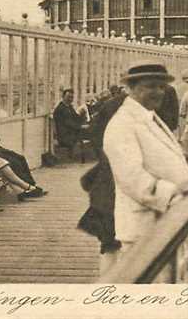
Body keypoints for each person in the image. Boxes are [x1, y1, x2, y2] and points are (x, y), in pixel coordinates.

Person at [101, 61, 188, 280]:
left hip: (161, 222)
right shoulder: (122, 124)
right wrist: (173, 194)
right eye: (151, 86)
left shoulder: (148, 117)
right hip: (143, 226)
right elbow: (132, 179)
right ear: (131, 88)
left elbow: (164, 164)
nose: (159, 92)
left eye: (162, 87)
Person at [78, 87, 127, 265]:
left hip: (108, 182)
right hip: (113, 187)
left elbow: (94, 131)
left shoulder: (112, 105)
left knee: (110, 244)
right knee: (113, 242)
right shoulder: (126, 107)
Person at [53, 88, 89, 158]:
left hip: (71, 132)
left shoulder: (69, 107)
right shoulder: (60, 109)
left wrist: (82, 114)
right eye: (68, 97)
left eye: (72, 97)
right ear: (63, 97)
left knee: (90, 130)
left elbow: (76, 118)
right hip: (64, 136)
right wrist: (81, 127)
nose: (70, 99)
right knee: (89, 134)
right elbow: (68, 123)